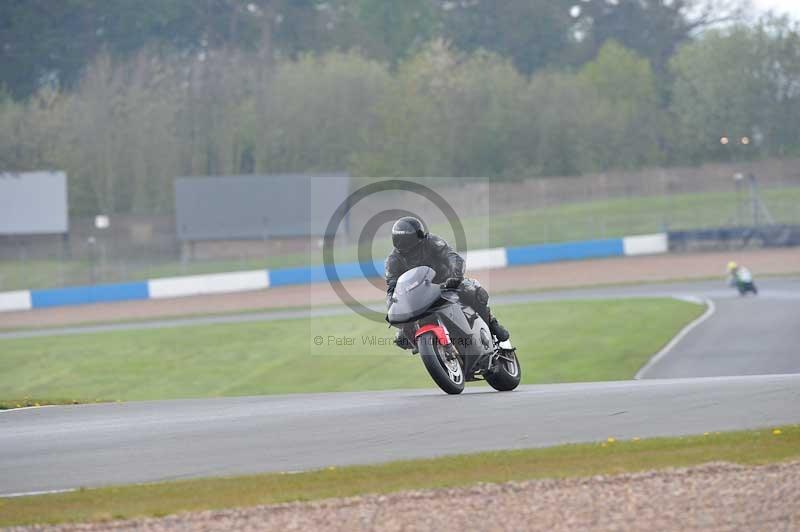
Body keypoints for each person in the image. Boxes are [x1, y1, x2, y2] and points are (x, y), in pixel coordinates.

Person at [385, 216, 510, 350]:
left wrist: (455, 277)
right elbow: (393, 287)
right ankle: (424, 347)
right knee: (401, 338)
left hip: (446, 284)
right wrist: (393, 306)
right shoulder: (393, 260)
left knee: (473, 291)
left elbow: (452, 257)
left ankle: (491, 323)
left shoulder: (431, 241)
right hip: (419, 296)